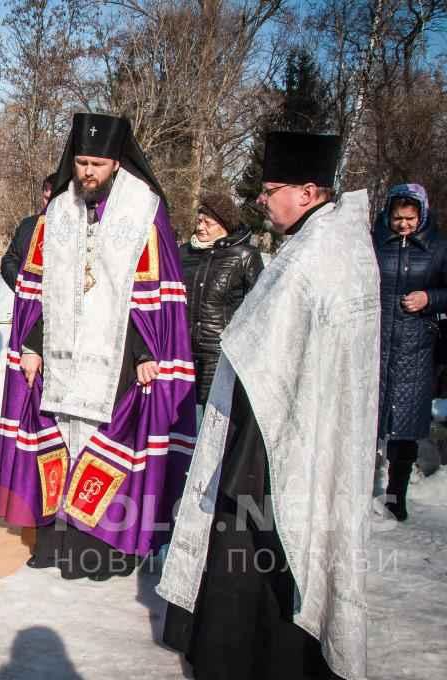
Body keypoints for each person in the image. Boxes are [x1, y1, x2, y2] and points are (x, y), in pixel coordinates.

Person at [158, 132, 379, 680]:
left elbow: (282, 348)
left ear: (308, 192)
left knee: (263, 551)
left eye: (271, 188)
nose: (261, 198)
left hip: (283, 437)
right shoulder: (314, 242)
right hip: (266, 426)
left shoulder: (322, 253)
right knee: (246, 548)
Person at [0, 112, 197, 581]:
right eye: (81, 162)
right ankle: (55, 541)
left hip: (119, 358)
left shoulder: (144, 210)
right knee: (60, 443)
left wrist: (147, 353)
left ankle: (103, 550)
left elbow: (154, 290)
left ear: (117, 163)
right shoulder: (58, 211)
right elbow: (39, 289)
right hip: (61, 356)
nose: (87, 172)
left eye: (97, 165)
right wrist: (32, 344)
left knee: (107, 447)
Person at [373, 183, 447, 521]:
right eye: (398, 217)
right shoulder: (375, 244)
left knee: (404, 427)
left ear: (423, 215)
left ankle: (395, 495)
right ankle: (357, 490)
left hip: (415, 348)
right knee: (367, 421)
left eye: (410, 218)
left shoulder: (438, 248)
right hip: (375, 346)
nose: (403, 224)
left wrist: (429, 299)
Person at [179, 192, 264, 404]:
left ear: (224, 225)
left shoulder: (245, 256)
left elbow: (258, 307)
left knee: (211, 419)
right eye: (199, 221)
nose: (200, 228)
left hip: (219, 355)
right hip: (181, 352)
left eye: (208, 223)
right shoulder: (183, 254)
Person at [0, 173, 55, 290]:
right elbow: (9, 260)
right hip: (28, 302)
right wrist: (24, 288)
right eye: (46, 198)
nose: (49, 203)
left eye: (53, 199)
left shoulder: (77, 228)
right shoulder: (28, 225)